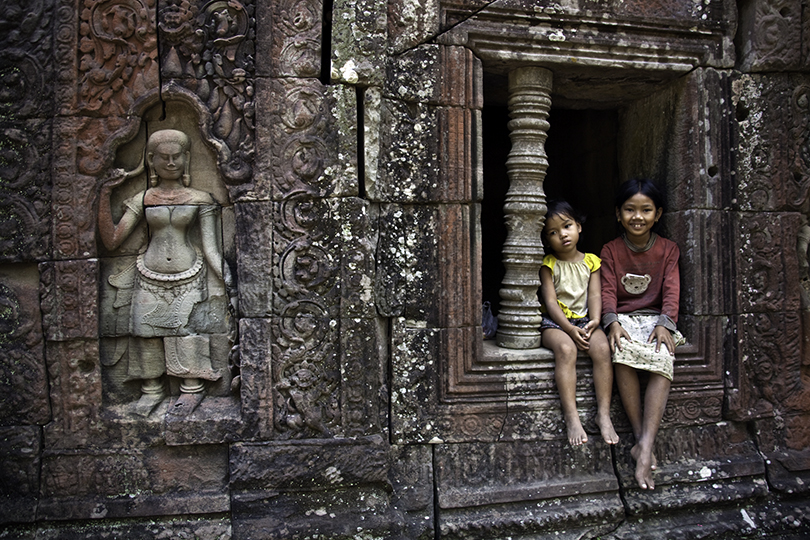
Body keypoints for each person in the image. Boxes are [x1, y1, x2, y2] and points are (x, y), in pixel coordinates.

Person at [98, 129, 231, 416]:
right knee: (145, 333)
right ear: (151, 161)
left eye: (176, 157)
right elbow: (111, 240)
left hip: (188, 274)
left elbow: (211, 248)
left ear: (186, 158)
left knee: (187, 333)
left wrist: (225, 276)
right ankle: (151, 390)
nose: (170, 163)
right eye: (163, 158)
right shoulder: (143, 198)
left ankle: (191, 388)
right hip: (148, 274)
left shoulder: (200, 198)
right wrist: (104, 192)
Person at [600, 178, 685, 490]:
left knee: (664, 358)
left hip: (656, 320)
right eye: (630, 209)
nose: (638, 216)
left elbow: (672, 291)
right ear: (618, 214)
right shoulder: (610, 250)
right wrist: (612, 323)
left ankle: (645, 445)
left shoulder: (668, 250)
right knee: (621, 354)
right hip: (622, 319)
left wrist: (666, 324)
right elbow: (607, 290)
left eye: (646, 210)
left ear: (658, 214)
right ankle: (641, 438)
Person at [540, 200, 619, 447]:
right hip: (555, 323)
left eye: (567, 226)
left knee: (603, 349)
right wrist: (569, 329)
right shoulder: (548, 265)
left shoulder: (592, 262)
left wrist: (595, 320)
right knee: (566, 350)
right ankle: (571, 416)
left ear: (579, 227)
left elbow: (596, 294)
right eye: (553, 232)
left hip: (586, 320)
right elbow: (551, 303)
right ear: (546, 239)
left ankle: (603, 414)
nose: (562, 234)